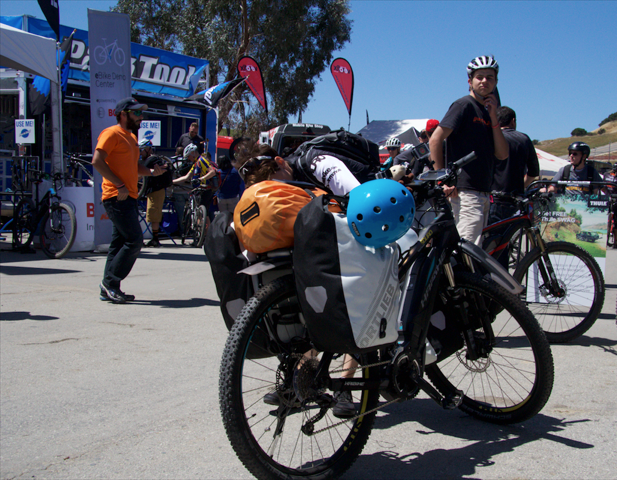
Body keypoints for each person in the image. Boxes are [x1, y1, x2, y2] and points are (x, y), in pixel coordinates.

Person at [238, 143, 363, 418]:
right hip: (329, 227)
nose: (274, 195)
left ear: (282, 162)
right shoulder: (281, 185)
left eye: (274, 186)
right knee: (311, 302)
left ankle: (344, 385)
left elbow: (357, 198)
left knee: (353, 299)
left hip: (367, 209)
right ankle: (303, 381)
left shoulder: (317, 163)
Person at [92, 97, 167, 303]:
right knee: (134, 240)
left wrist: (152, 171)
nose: (140, 117)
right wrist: (118, 184)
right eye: (136, 113)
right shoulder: (111, 133)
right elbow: (97, 161)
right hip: (117, 196)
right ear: (123, 115)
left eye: (141, 113)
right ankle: (109, 283)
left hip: (129, 196)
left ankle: (110, 287)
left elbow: (134, 167)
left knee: (119, 243)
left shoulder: (131, 138)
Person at [429, 55, 508, 245]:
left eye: (490, 77)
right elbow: (435, 140)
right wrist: (442, 179)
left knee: (473, 252)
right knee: (465, 251)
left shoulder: (488, 112)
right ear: (470, 81)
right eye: (479, 77)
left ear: (496, 82)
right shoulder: (463, 105)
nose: (484, 81)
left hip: (483, 191)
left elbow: (502, 154)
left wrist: (494, 118)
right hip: (464, 191)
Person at [489, 106, 540, 224]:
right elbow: (534, 172)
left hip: (492, 198)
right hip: (516, 199)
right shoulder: (524, 139)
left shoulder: (490, 137)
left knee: (491, 237)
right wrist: (520, 186)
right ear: (513, 121)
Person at [173, 144, 217, 229]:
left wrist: (201, 179)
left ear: (193, 153)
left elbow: (212, 172)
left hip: (205, 190)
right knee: (204, 214)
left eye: (189, 156)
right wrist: (172, 182)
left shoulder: (201, 160)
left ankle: (202, 236)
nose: (188, 158)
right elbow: (186, 177)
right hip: (200, 190)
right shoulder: (195, 164)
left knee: (202, 214)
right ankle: (204, 236)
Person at [138, 139, 167, 248]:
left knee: (153, 214)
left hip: (155, 191)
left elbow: (141, 175)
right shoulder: (153, 159)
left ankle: (155, 239)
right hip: (154, 191)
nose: (140, 153)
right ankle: (154, 238)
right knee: (152, 214)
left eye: (142, 150)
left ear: (147, 149)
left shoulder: (150, 160)